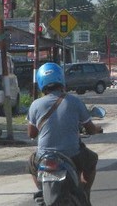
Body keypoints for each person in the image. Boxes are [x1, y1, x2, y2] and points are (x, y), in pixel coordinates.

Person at [27, 62, 103, 202]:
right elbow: (91, 129)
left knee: (32, 163)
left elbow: (31, 134)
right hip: (72, 155)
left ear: (41, 82)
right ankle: (85, 192)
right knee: (92, 160)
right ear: (61, 80)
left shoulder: (35, 104)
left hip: (44, 156)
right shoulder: (74, 101)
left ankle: (43, 190)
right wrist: (97, 129)